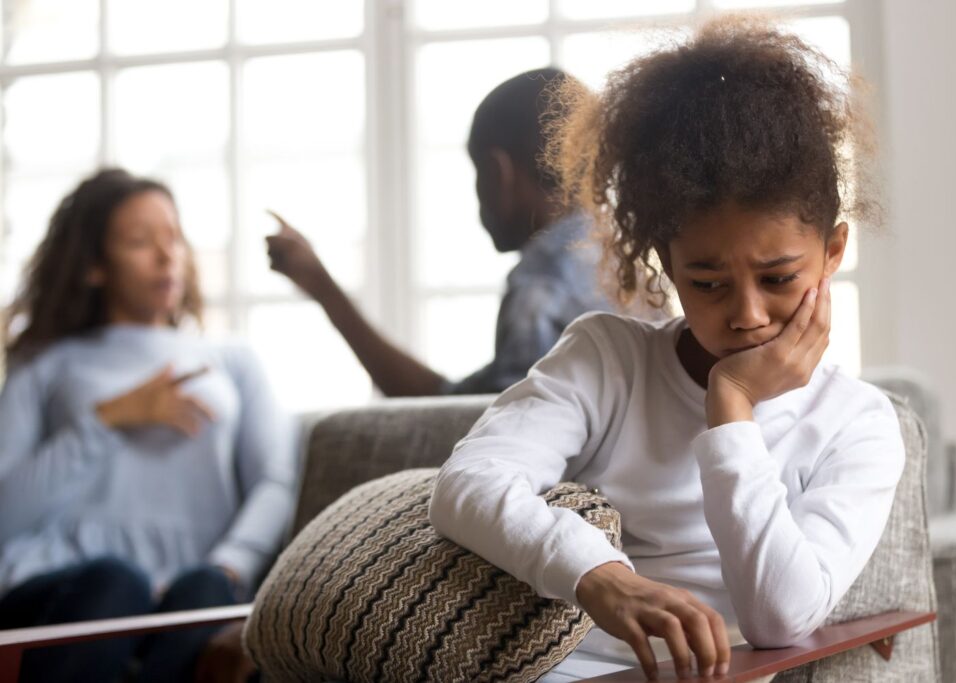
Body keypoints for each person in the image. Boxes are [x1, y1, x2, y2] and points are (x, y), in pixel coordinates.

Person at [429, 17, 905, 682]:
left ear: (832, 253)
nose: (746, 314)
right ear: (665, 263)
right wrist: (597, 573)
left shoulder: (859, 424)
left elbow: (780, 617)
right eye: (706, 283)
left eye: (777, 278)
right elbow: (468, 483)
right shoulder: (606, 360)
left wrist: (731, 405)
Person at [0, 169, 295, 683]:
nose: (166, 256)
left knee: (204, 590)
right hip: (64, 586)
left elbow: (275, 480)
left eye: (174, 237)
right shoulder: (43, 361)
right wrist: (110, 417)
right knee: (117, 582)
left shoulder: (232, 360)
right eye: (140, 242)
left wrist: (231, 563)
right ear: (94, 266)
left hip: (191, 588)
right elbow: (6, 514)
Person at [266, 67, 615, 397]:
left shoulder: (540, 286)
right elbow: (452, 403)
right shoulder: (621, 264)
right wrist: (322, 286)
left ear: (499, 172)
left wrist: (323, 289)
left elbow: (485, 432)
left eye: (477, 173)